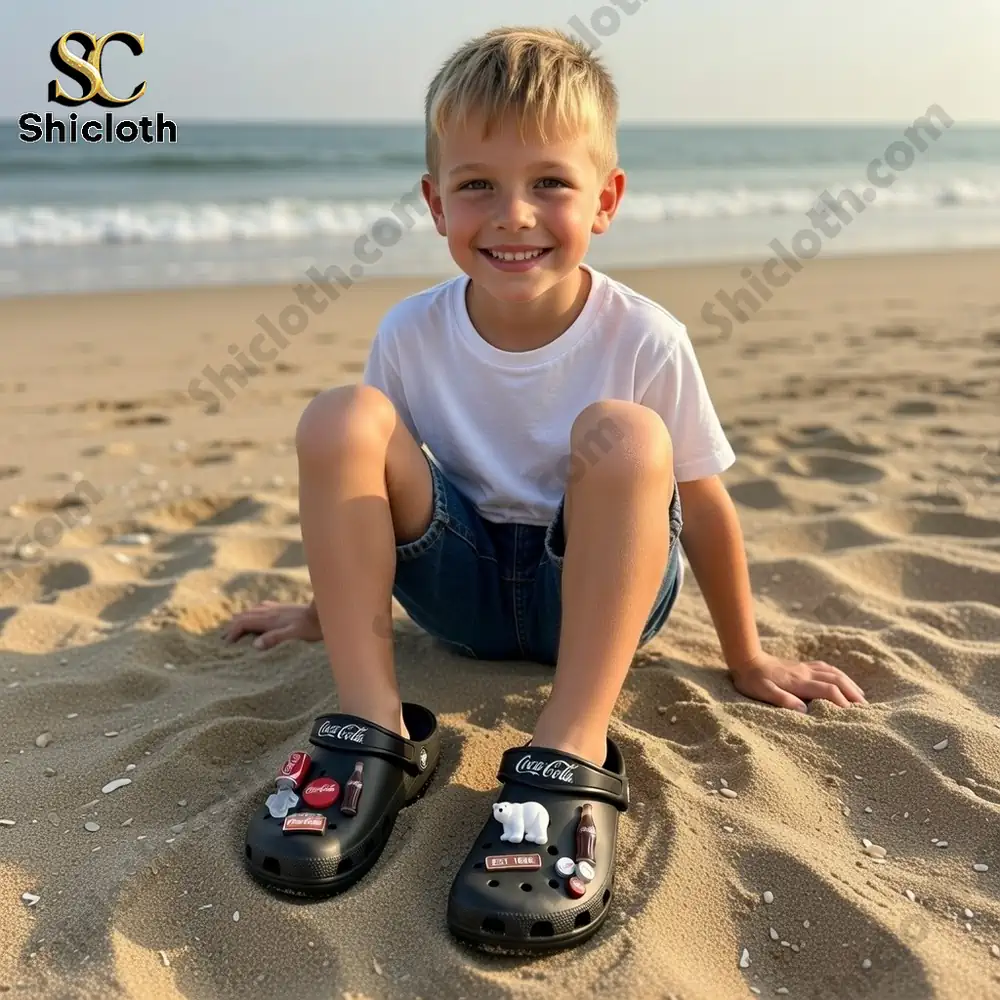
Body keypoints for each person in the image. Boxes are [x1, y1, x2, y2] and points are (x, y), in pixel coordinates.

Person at [227, 25, 866, 947]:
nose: (513, 214)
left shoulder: (645, 337)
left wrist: (748, 655)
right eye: (478, 183)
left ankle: (569, 740)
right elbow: (365, 483)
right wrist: (320, 610)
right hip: (459, 591)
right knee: (342, 416)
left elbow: (707, 506)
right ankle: (374, 723)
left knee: (627, 434)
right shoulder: (412, 332)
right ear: (435, 203)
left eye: (550, 184)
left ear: (605, 200)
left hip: (597, 596)